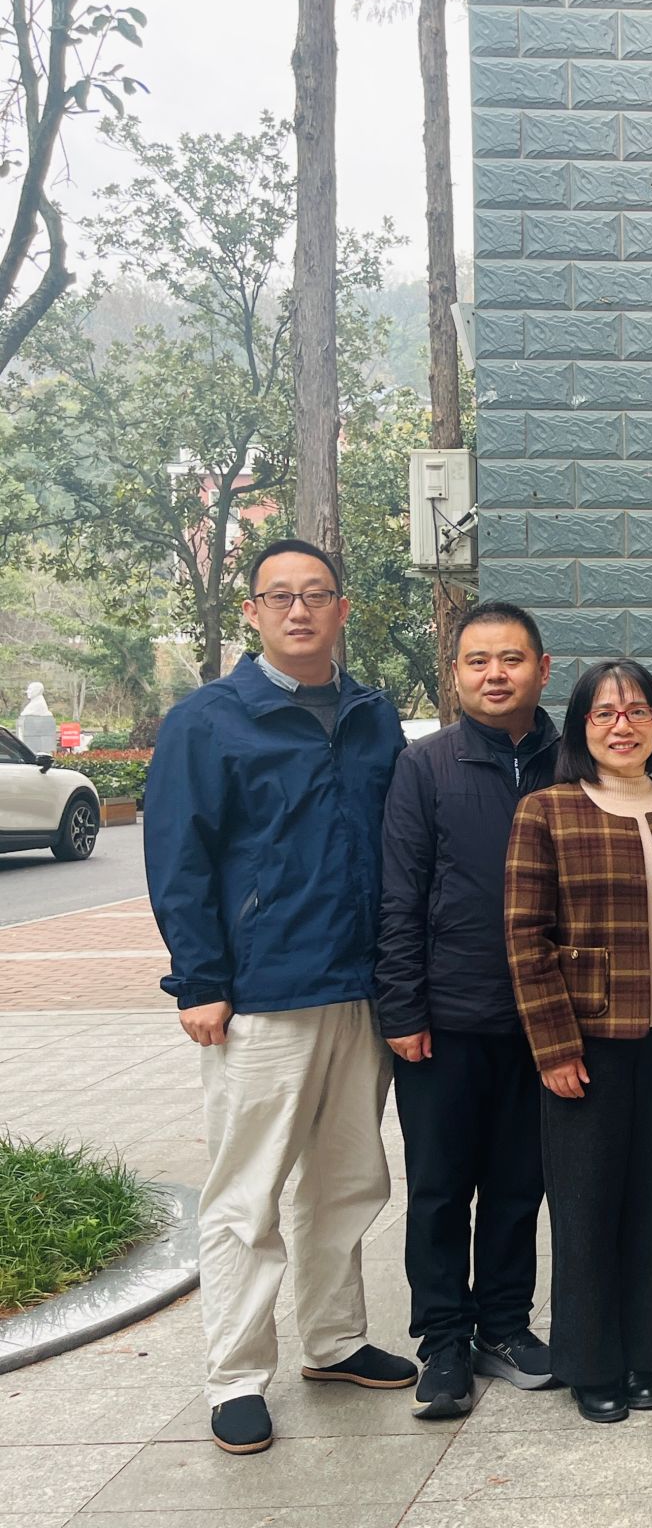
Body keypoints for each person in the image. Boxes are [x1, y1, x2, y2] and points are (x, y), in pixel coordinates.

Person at [144, 538, 413, 1456]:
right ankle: (235, 1375)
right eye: (280, 596)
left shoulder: (373, 716)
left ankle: (334, 1341)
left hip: (360, 988)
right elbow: (178, 859)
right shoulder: (208, 720)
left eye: (317, 594)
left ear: (342, 609)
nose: (300, 610)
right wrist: (200, 981)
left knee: (349, 1181)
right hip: (261, 994)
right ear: (253, 612)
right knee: (246, 1195)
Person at [504, 659, 652, 1424]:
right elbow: (525, 937)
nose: (622, 726)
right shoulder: (547, 811)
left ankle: (643, 1355)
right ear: (581, 728)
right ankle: (590, 1362)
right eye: (604, 713)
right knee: (588, 1204)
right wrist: (554, 1046)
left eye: (637, 712)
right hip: (588, 1040)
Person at [377, 602, 562, 1418]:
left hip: (543, 1022)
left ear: (541, 670)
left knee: (521, 1186)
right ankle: (444, 1340)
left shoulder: (572, 762)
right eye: (478, 661)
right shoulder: (425, 766)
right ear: (454, 675)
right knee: (441, 1189)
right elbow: (399, 895)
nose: (496, 674)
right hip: (445, 1020)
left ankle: (505, 1326)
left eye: (511, 659)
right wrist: (402, 1008)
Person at [17, 680, 55, 755]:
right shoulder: (33, 703)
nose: (27, 691)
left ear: (37, 691)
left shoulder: (39, 704)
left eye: (30, 689)